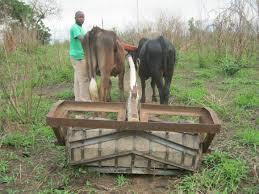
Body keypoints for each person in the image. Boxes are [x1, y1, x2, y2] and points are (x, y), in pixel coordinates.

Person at [69, 11, 91, 102]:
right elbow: (82, 39)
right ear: (75, 18)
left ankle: (78, 99)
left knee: (78, 79)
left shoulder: (80, 28)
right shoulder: (74, 27)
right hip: (78, 57)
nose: (82, 19)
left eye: (83, 17)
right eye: (80, 17)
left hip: (77, 55)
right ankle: (84, 100)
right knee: (83, 78)